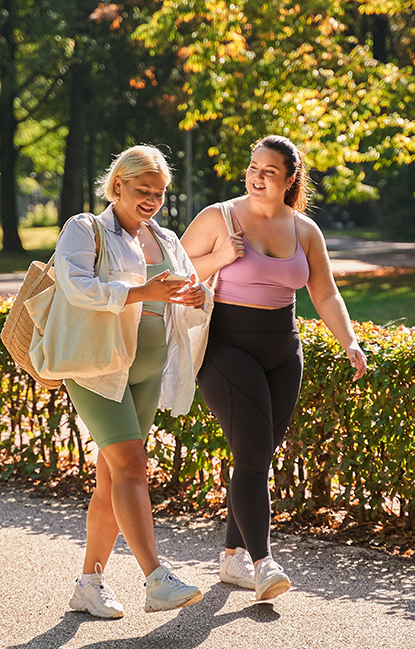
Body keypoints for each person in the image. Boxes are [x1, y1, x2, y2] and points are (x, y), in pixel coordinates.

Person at [180, 135, 368, 601]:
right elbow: (174, 268)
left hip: (284, 351)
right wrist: (220, 257)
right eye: (253, 167)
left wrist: (349, 339)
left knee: (257, 455)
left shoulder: (305, 230)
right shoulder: (218, 217)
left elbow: (325, 292)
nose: (257, 176)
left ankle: (231, 558)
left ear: (289, 179)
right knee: (251, 453)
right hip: (226, 345)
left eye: (269, 171)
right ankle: (263, 563)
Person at [58, 145, 214, 618]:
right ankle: (156, 578)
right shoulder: (86, 229)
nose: (151, 199)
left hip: (147, 368)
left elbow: (193, 291)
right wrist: (143, 291)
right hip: (98, 368)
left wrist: (197, 295)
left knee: (112, 479)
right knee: (130, 465)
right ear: (118, 185)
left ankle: (89, 584)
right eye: (143, 190)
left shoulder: (165, 238)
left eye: (159, 192)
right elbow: (75, 284)